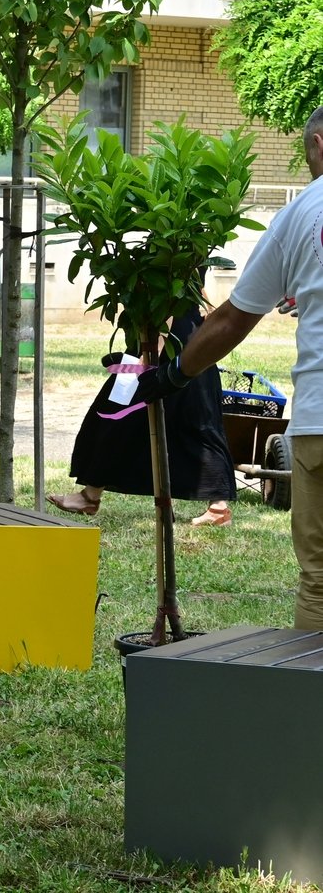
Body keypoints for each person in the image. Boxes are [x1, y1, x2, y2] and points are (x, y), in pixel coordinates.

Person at [133, 103, 323, 628]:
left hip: (320, 422)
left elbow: (231, 321)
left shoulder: (302, 212)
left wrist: (173, 375)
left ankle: (311, 707)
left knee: (320, 580)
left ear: (321, 144)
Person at [48, 305, 236, 526]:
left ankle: (91, 496)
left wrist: (151, 351)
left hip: (169, 343)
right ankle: (217, 507)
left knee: (114, 415)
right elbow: (197, 289)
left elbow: (169, 296)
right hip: (191, 341)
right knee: (196, 422)